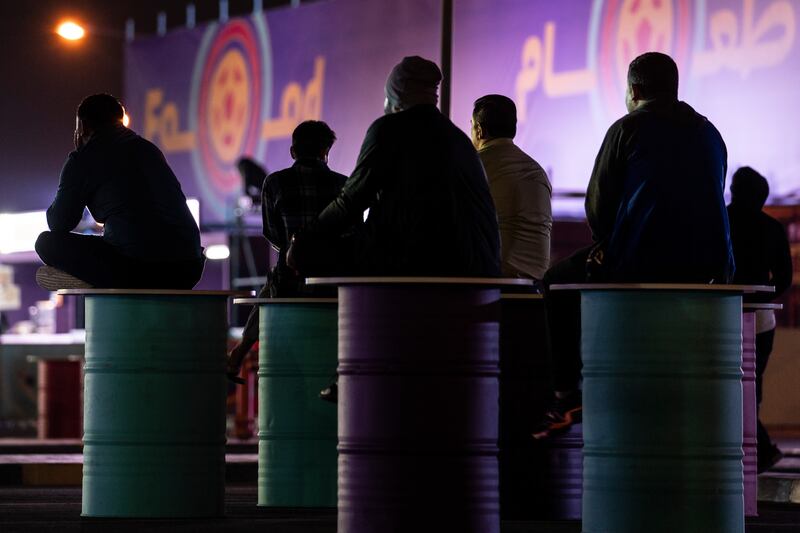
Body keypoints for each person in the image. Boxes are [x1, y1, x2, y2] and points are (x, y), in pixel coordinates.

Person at [533, 52, 734, 439]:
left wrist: (609, 243)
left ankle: (567, 395)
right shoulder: (710, 133)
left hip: (643, 260)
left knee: (556, 281)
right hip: (710, 269)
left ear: (635, 90)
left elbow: (597, 209)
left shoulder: (627, 128)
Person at [289, 56, 501, 278]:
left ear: (395, 96)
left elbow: (351, 201)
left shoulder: (389, 129)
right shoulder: (459, 140)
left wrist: (302, 242)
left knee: (315, 254)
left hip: (421, 265)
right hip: (478, 274)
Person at [35, 93, 203, 290]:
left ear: (83, 127)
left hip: (138, 269)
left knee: (46, 242)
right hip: (188, 268)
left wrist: (78, 162)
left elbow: (59, 223)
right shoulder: (148, 149)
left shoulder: (84, 158)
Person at [226, 121, 347, 383]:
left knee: (270, 289)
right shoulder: (343, 185)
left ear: (293, 152)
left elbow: (273, 235)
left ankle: (239, 353)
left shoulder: (275, 183)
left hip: (289, 284)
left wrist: (295, 249)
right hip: (333, 287)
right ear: (326, 151)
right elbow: (352, 234)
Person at [727, 166, 792, 472]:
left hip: (721, 316)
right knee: (753, 388)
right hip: (763, 320)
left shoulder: (720, 222)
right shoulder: (772, 228)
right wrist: (763, 297)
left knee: (728, 388)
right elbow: (785, 279)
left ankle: (755, 451)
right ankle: (758, 452)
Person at [471, 94, 552, 283]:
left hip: (491, 283)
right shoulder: (537, 170)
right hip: (535, 285)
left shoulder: (475, 166)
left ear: (480, 130)